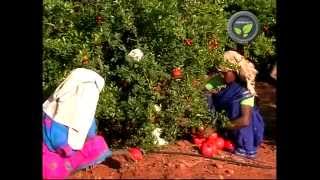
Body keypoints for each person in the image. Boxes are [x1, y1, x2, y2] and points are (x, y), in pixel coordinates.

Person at [42, 68, 112, 179]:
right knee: (50, 168)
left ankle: (75, 167)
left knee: (98, 144)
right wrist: (69, 149)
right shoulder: (53, 110)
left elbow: (90, 132)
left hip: (69, 149)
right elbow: (55, 138)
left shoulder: (86, 113)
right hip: (52, 151)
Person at [207, 51, 265, 158]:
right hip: (224, 125)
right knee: (207, 96)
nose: (221, 75)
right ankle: (221, 138)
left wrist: (215, 128)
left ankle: (244, 147)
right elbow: (203, 94)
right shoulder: (218, 81)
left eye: (225, 72)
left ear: (235, 71)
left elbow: (245, 120)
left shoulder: (245, 89)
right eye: (220, 72)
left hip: (243, 127)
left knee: (236, 105)